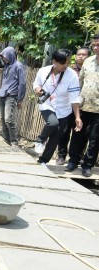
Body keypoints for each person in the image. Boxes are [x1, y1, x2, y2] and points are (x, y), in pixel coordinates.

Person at [33, 49, 82, 166]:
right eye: (63, 63)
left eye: (68, 62)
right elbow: (36, 84)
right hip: (47, 105)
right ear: (55, 61)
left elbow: (74, 98)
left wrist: (77, 117)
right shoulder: (43, 71)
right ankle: (40, 140)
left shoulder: (72, 75)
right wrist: (37, 90)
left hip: (63, 109)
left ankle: (43, 160)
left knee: (56, 137)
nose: (66, 65)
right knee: (53, 123)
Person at [66, 34, 99, 177]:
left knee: (95, 138)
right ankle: (73, 160)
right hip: (83, 105)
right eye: (94, 45)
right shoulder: (88, 62)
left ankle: (88, 165)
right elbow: (79, 83)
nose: (96, 48)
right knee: (77, 134)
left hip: (98, 109)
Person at [56, 47, 91, 165]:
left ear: (88, 56)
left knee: (80, 134)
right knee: (64, 131)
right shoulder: (68, 70)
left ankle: (77, 156)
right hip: (67, 105)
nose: (80, 56)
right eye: (78, 54)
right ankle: (61, 155)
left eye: (83, 55)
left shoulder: (91, 70)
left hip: (83, 107)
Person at [0, 46, 26, 146]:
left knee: (8, 119)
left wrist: (20, 99)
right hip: (2, 94)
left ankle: (14, 141)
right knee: (2, 119)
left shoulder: (18, 66)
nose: (3, 58)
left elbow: (22, 83)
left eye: (4, 56)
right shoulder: (6, 65)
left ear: (10, 55)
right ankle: (6, 140)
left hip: (11, 95)